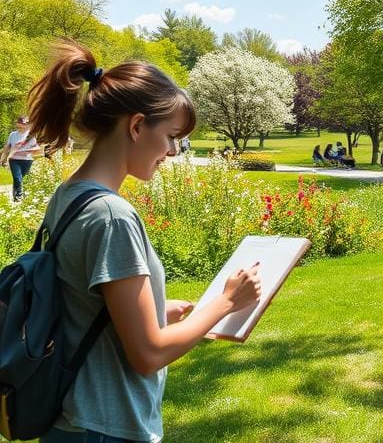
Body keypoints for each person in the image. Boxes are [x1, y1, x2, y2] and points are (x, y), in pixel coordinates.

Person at [24, 41, 261, 442]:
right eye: (170, 136)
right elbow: (148, 354)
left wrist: (155, 311)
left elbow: (77, 302)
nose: (171, 151)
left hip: (75, 420)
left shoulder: (70, 195)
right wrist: (226, 303)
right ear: (136, 127)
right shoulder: (112, 217)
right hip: (103, 425)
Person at [1, 114, 43, 202]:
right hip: (14, 160)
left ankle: (16, 195)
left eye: (26, 123)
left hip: (27, 160)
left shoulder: (31, 135)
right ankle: (18, 197)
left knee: (20, 179)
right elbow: (7, 147)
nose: (25, 125)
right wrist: (2, 159)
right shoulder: (13, 135)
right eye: (22, 123)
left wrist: (28, 150)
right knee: (17, 178)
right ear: (19, 124)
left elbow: (37, 149)